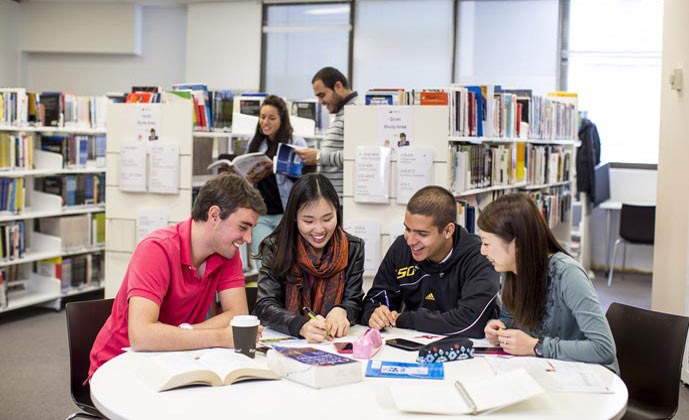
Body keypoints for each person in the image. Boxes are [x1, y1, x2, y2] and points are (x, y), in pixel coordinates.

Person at [87, 173, 267, 380]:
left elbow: (237, 316)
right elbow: (141, 336)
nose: (248, 238)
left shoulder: (228, 253)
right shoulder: (156, 250)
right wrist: (219, 336)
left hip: (176, 358)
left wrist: (182, 333)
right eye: (243, 227)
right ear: (214, 215)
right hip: (118, 365)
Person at [478, 193, 618, 373]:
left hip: (586, 379)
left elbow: (603, 349)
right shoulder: (510, 271)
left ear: (517, 244)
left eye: (487, 243)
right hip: (545, 370)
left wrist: (536, 346)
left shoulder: (568, 274)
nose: (482, 251)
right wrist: (500, 329)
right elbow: (510, 318)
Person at [361, 186, 500, 336]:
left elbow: (470, 323)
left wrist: (407, 320)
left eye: (422, 234)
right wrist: (374, 314)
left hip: (472, 351)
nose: (411, 241)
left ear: (448, 231)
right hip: (413, 345)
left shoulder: (479, 256)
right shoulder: (401, 247)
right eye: (407, 229)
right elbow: (376, 299)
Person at [255, 173, 364, 342]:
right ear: (294, 217)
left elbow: (354, 301)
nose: (319, 229)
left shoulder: (352, 248)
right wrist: (300, 325)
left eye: (327, 219)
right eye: (308, 221)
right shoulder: (276, 247)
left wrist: (342, 310)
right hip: (288, 342)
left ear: (337, 212)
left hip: (334, 343)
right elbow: (265, 306)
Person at [246, 95, 307, 269]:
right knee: (263, 264)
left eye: (272, 118)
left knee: (286, 264)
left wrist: (279, 166)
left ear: (282, 119)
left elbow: (303, 179)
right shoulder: (255, 143)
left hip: (286, 215)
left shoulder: (296, 143)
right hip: (261, 216)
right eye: (262, 117)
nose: (265, 122)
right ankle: (265, 297)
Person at [294, 67, 359, 203]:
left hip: (344, 202)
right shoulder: (343, 113)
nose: (320, 102)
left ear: (338, 86)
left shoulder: (355, 112)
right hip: (334, 199)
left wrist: (318, 157)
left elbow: (357, 155)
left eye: (322, 95)